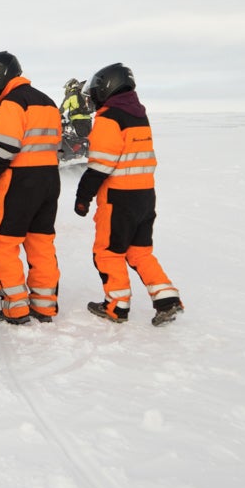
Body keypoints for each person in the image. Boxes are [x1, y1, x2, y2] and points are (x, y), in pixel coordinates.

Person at [73, 63, 182, 326]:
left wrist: (82, 196)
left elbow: (101, 166)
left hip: (118, 198)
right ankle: (167, 299)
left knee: (108, 252)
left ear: (107, 88)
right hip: (145, 195)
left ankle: (116, 306)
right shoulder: (138, 115)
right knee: (140, 252)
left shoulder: (110, 117)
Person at [0, 51, 61, 323]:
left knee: (3, 245)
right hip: (49, 179)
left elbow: (5, 149)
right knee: (41, 243)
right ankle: (44, 306)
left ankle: (16, 308)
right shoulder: (47, 101)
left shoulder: (11, 103)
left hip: (19, 181)